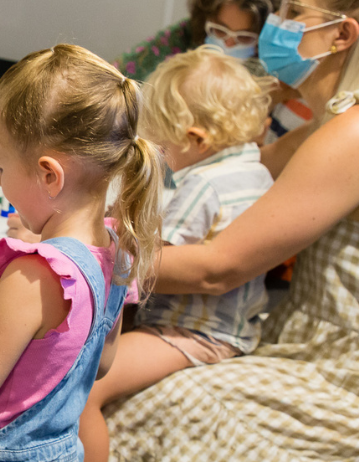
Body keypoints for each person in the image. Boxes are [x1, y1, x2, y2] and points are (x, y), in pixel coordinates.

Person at [104, 0, 359, 461]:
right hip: (343, 344)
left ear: (342, 35)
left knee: (143, 410)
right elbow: (243, 173)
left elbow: (216, 267)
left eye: (296, 11)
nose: (280, 23)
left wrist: (92, 247)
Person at [0, 44, 163, 462]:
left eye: (1, 165)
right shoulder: (118, 252)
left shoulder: (34, 276)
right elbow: (100, 364)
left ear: (49, 175)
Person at [77, 46, 275, 461]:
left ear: (195, 139)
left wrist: (104, 231)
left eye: (162, 143)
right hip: (233, 326)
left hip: (193, 332)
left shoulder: (203, 184)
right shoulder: (256, 170)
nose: (160, 153)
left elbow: (154, 263)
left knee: (85, 391)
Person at [114, 0, 306, 142]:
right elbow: (116, 85)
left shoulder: (273, 77)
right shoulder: (181, 39)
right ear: (205, 20)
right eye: (219, 31)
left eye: (244, 37)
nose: (229, 44)